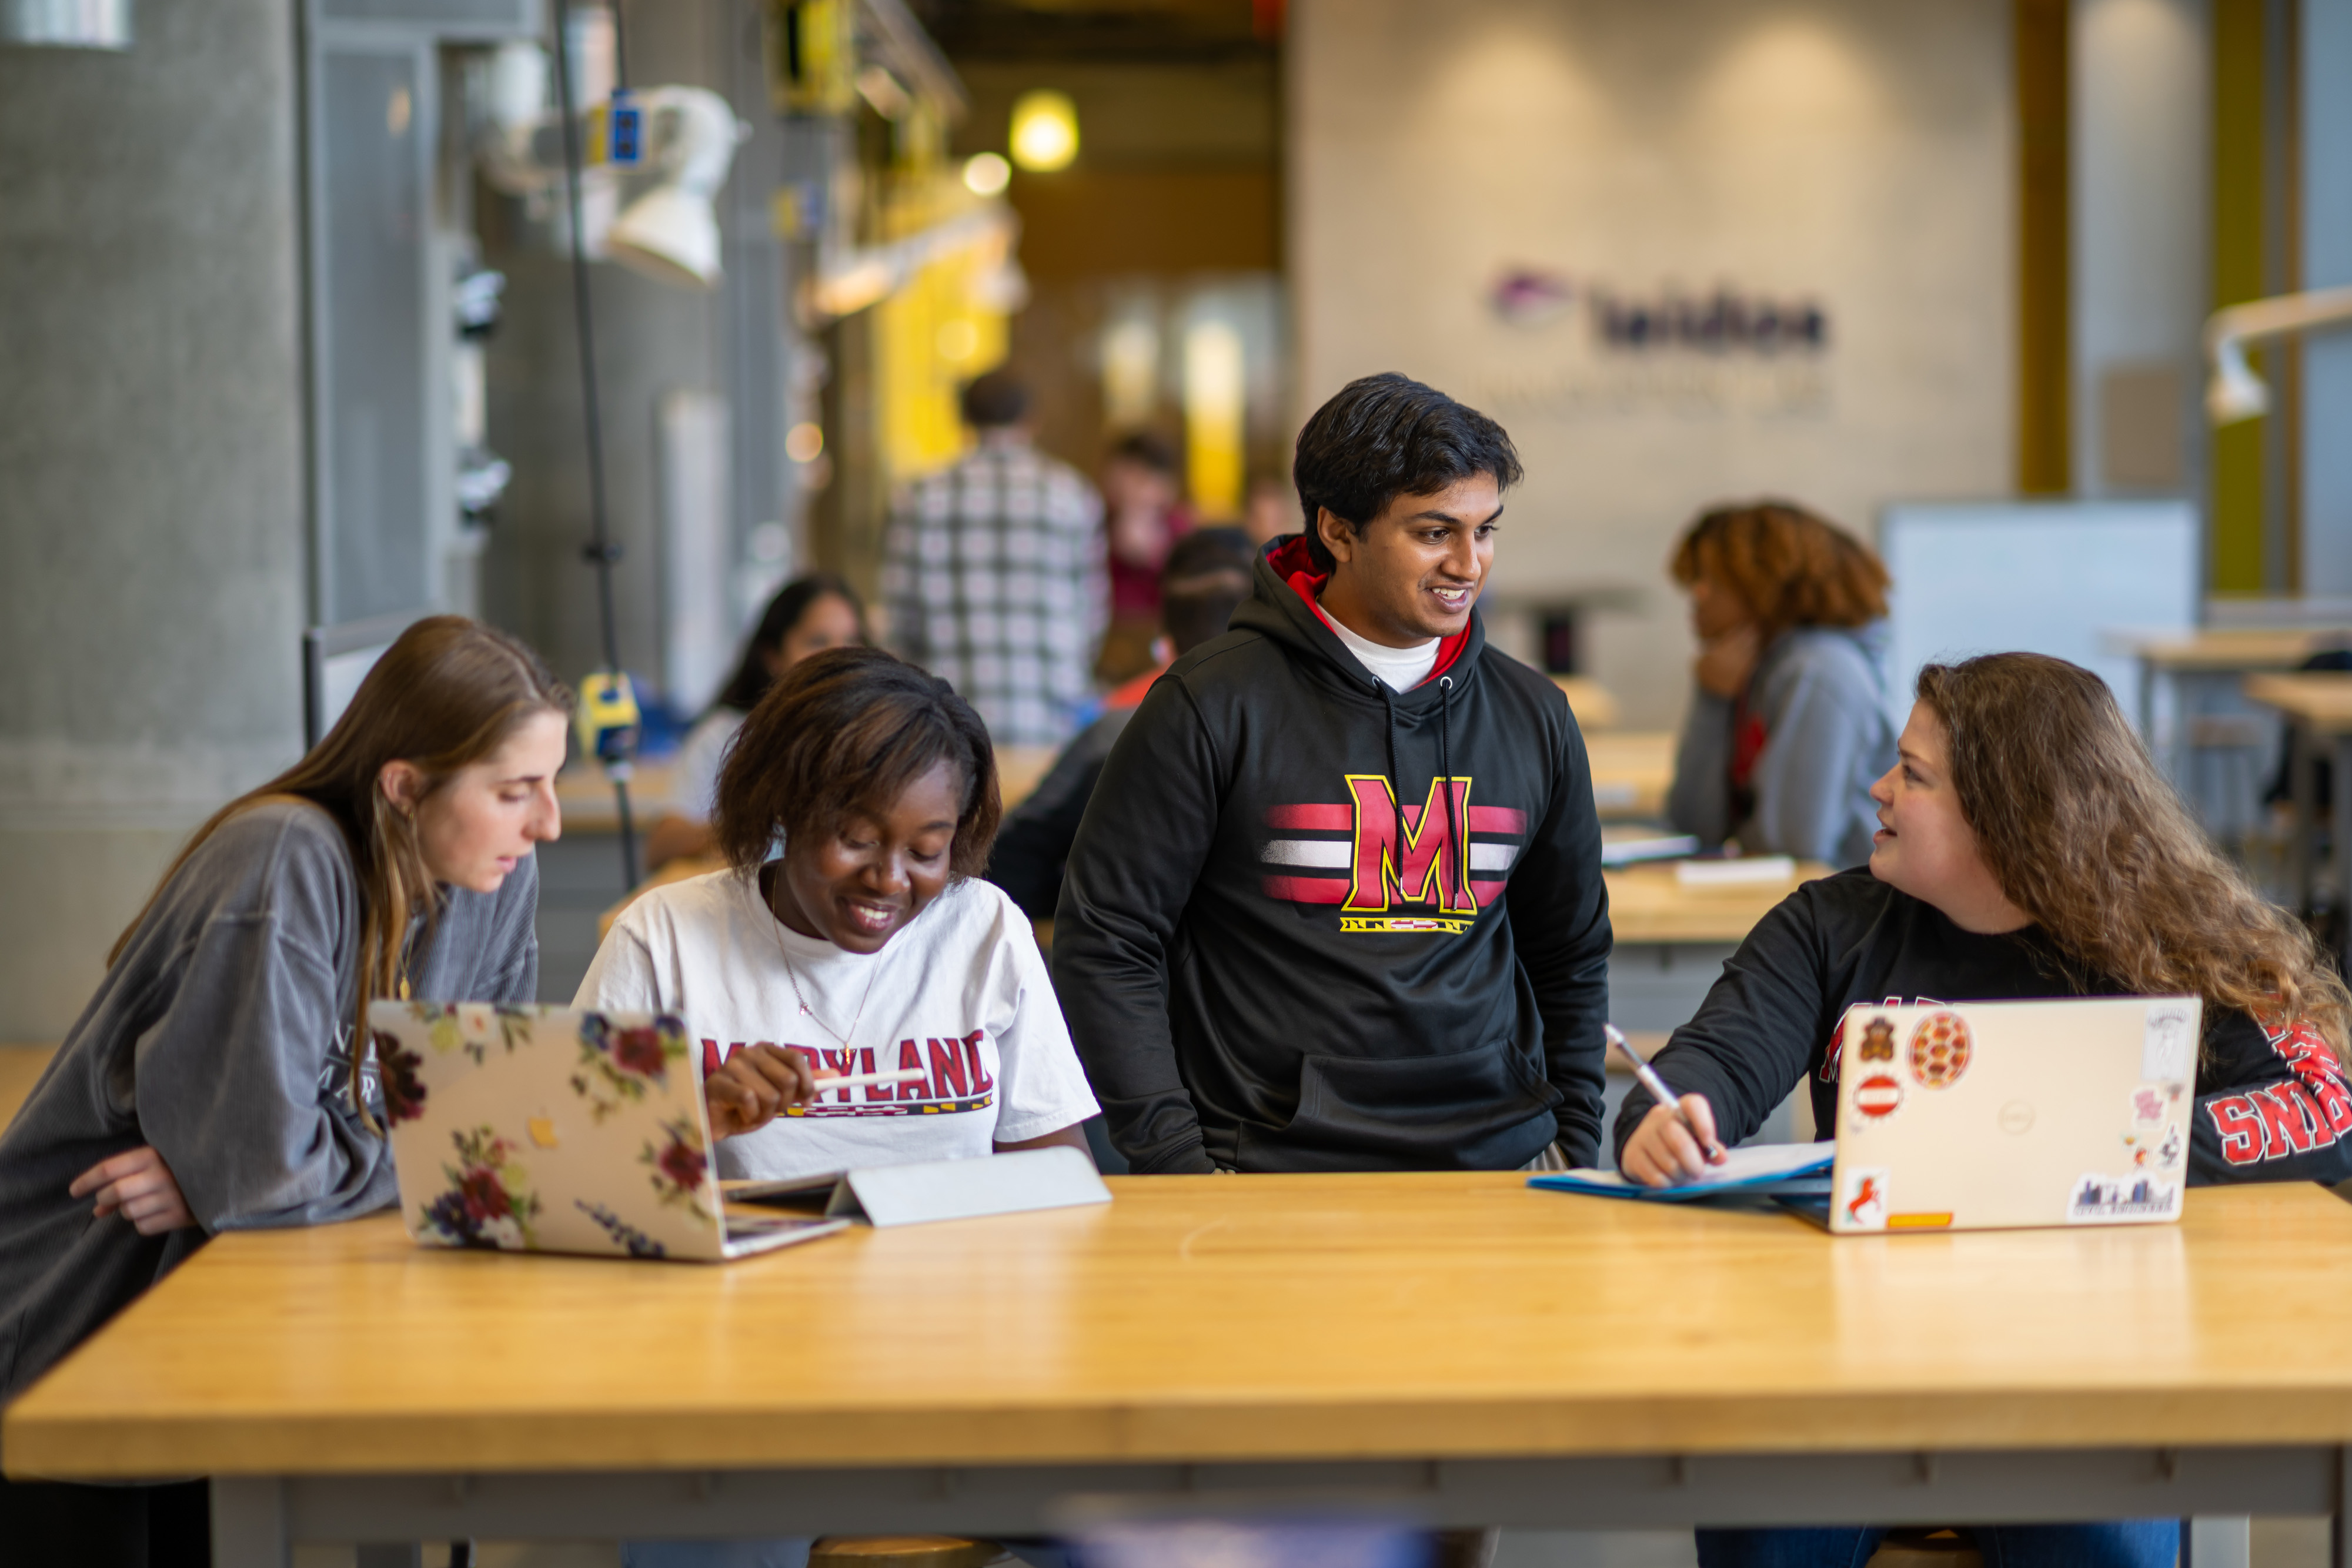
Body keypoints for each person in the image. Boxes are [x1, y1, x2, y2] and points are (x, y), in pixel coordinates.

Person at [1618, 651, 2352, 1568]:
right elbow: (1714, 1062)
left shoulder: (2172, 943)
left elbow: (2327, 1108)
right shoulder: (1829, 927)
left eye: (1914, 775)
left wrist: (2113, 1147)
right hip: (1844, 1369)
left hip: (2084, 1373)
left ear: (2012, 819)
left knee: (2105, 1551)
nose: (1878, 788)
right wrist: (1671, 1116)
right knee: (1765, 1538)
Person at [0, 616, 567, 1564]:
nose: (547, 820)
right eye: (515, 790)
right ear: (402, 786)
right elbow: (280, 1176)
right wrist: (255, 1164)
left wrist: (239, 1165)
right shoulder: (287, 856)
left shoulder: (498, 874)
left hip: (215, 1313)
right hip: (83, 1328)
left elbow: (490, 1121)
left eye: (549, 784)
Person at [1053, 371, 1613, 1177]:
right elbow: (1108, 941)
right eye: (1433, 532)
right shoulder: (1209, 702)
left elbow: (1572, 952)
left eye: (1485, 529)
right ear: (1339, 530)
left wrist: (1575, 1142)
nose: (1469, 563)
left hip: (1501, 1163)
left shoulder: (1534, 715)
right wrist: (1178, 1165)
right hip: (1270, 1171)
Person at [576, 645, 1100, 1182]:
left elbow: (1064, 1181)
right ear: (784, 804)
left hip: (949, 1262)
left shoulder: (983, 930)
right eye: (856, 839)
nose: (890, 879)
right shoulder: (661, 939)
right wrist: (691, 1124)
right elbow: (571, 1176)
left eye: (925, 852)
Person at [987, 527, 1255, 921]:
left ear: (1166, 644)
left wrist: (1091, 897)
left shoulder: (1114, 736)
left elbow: (1007, 863)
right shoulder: (1309, 739)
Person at [880, 369, 1107, 748]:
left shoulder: (918, 498)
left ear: (962, 418)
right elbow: (1091, 616)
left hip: (950, 724)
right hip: (1052, 721)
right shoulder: (1072, 495)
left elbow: (899, 624)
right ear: (1032, 418)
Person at [1665, 500, 1897, 868]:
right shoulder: (1762, 669)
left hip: (1845, 913)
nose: (1697, 595)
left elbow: (1791, 847)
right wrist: (1712, 699)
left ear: (1769, 585)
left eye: (1713, 579)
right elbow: (1694, 825)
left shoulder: (1819, 672)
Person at [642, 574, 866, 870]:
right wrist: (753, 830)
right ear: (773, 657)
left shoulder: (878, 733)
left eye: (851, 640)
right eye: (818, 641)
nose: (838, 657)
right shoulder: (727, 736)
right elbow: (661, 846)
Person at [1097, 430, 1193, 682]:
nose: (1133, 489)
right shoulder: (1094, 525)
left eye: (1144, 480)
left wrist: (1154, 557)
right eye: (1125, 476)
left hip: (1165, 664)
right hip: (1102, 658)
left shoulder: (1180, 530)